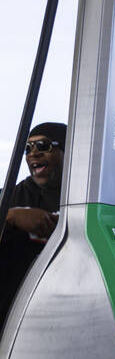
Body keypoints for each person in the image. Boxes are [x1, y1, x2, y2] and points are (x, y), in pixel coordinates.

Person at [1, 122, 66, 325]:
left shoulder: (87, 195)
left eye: (43, 145)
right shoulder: (13, 196)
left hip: (65, 309)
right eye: (28, 148)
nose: (33, 154)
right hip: (14, 317)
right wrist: (11, 216)